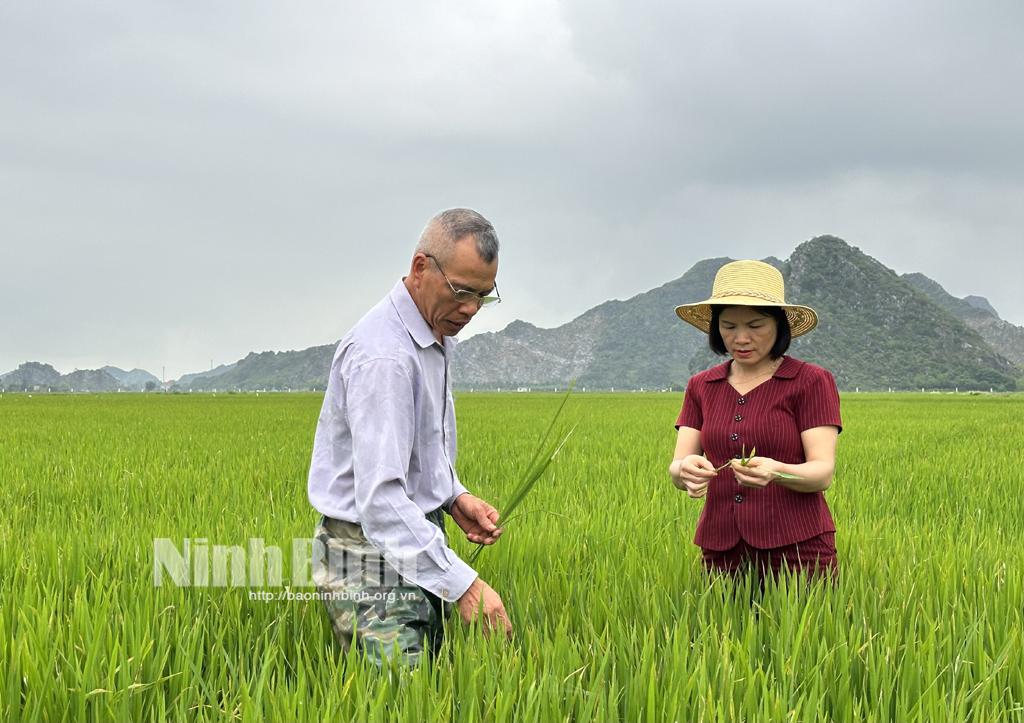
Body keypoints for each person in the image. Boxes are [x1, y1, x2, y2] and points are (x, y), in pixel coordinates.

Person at [308, 208, 513, 666]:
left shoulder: (431, 336)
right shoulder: (385, 356)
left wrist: (453, 497)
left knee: (432, 683)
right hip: (367, 553)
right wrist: (467, 585)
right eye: (461, 292)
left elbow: (418, 449)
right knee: (402, 696)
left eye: (484, 296)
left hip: (411, 534)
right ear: (421, 267)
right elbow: (380, 500)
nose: (471, 310)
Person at [668, 259, 842, 578]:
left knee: (803, 628)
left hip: (798, 550)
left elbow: (822, 473)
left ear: (779, 325)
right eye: (729, 326)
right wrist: (685, 472)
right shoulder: (701, 386)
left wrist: (777, 472)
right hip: (721, 551)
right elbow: (679, 466)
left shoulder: (811, 381)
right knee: (724, 629)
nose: (741, 338)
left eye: (755, 325)